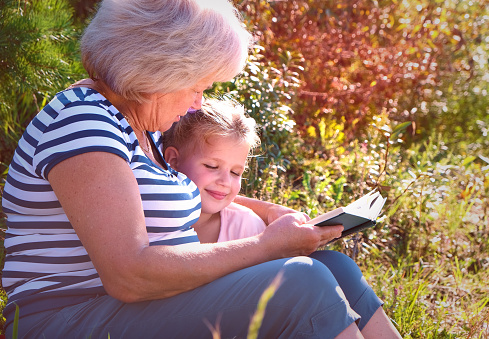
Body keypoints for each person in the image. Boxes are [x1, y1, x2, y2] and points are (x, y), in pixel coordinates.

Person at [1, 0, 402, 337]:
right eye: (197, 85)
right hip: (67, 318)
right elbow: (129, 274)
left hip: (131, 307)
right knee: (303, 282)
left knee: (335, 267)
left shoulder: (143, 128)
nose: (198, 102)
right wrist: (266, 247)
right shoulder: (82, 123)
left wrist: (269, 214)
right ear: (157, 69)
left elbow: (150, 193)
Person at [163, 97, 266, 243]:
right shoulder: (147, 220)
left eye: (235, 173)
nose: (225, 182)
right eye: (212, 166)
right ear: (173, 161)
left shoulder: (248, 229)